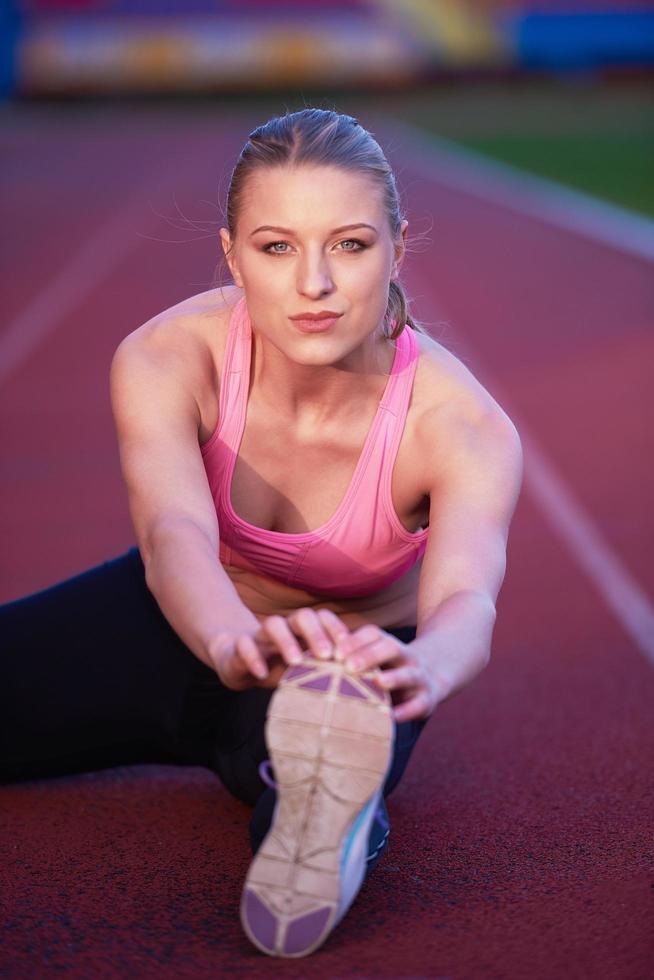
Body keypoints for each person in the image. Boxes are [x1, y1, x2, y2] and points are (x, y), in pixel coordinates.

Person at [0, 107, 523, 957]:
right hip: (184, 618)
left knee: (298, 782)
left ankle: (333, 818)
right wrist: (230, 639)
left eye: (349, 245)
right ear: (232, 253)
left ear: (396, 247)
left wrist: (419, 669)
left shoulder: (461, 427)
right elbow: (172, 531)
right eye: (277, 247)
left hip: (339, 679)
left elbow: (467, 596)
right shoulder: (169, 356)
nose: (313, 283)